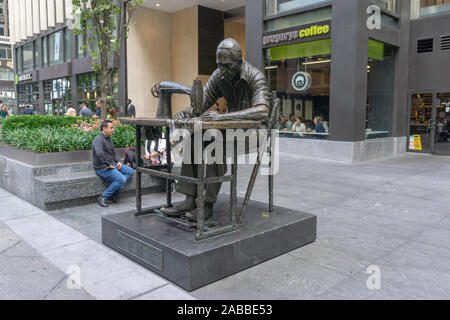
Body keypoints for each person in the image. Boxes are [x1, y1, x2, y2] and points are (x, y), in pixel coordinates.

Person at [160, 38, 270, 222]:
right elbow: (202, 103)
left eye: (226, 65)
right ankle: (189, 198)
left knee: (214, 144)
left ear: (239, 61)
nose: (222, 70)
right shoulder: (219, 75)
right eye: (219, 65)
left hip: (253, 133)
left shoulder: (255, 76)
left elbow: (262, 111)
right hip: (230, 128)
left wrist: (221, 117)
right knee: (196, 137)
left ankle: (208, 204)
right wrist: (185, 113)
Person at [92, 120, 135, 207]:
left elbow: (113, 153)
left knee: (130, 171)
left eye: (113, 128)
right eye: (111, 128)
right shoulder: (98, 139)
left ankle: (115, 191)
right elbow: (100, 154)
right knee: (121, 179)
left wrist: (118, 161)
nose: (113, 130)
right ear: (104, 128)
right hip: (102, 167)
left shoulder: (109, 139)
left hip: (111, 164)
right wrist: (109, 164)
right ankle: (103, 197)